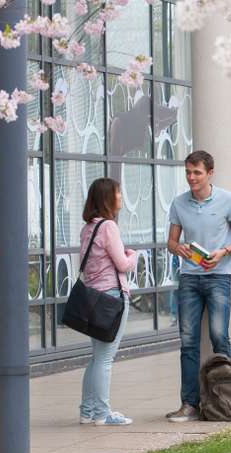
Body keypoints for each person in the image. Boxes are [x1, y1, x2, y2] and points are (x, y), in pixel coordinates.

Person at [165, 150, 231, 422]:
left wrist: (223, 252)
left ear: (209, 173)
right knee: (188, 342)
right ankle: (189, 404)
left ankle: (226, 400)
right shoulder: (179, 203)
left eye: (197, 172)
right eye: (188, 172)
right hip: (189, 277)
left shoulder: (227, 200)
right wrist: (180, 250)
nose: (191, 177)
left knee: (218, 336)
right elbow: (171, 242)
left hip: (218, 277)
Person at [78, 178, 136, 426]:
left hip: (93, 297)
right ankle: (102, 414)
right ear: (107, 198)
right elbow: (122, 264)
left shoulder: (87, 228)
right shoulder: (108, 227)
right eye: (118, 193)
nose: (121, 197)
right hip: (112, 297)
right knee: (104, 359)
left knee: (96, 357)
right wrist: (132, 256)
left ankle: (87, 411)